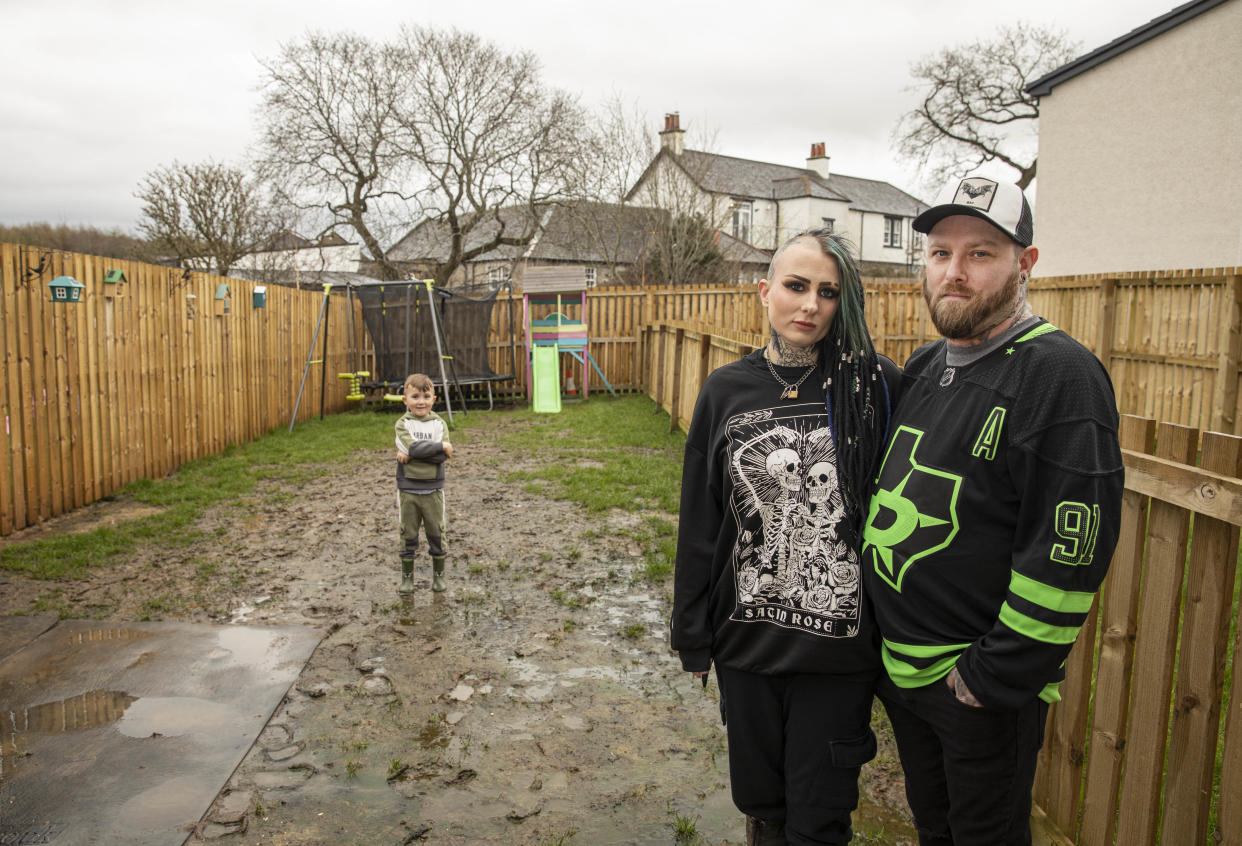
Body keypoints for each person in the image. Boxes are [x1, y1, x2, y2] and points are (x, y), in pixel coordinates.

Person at [861, 176, 1124, 846]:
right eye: (941, 252)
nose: (954, 272)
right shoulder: (925, 366)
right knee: (935, 829)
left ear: (1025, 263)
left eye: (980, 253)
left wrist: (990, 678)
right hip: (905, 674)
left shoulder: (1058, 375)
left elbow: (1071, 549)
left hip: (972, 688)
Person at [671, 230, 901, 846]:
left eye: (828, 292)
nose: (810, 306)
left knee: (821, 817)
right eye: (796, 287)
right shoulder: (726, 389)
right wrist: (692, 634)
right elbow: (701, 519)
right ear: (763, 290)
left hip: (838, 654)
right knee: (763, 807)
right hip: (747, 645)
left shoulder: (875, 385)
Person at [394, 372, 453, 593]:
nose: (421, 401)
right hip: (408, 489)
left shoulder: (438, 424)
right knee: (408, 534)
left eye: (426, 396)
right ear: (405, 400)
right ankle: (407, 579)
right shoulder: (403, 424)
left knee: (436, 533)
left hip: (433, 489)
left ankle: (438, 576)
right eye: (415, 396)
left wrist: (415, 453)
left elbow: (441, 457)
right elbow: (414, 447)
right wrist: (438, 447)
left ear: (433, 399)